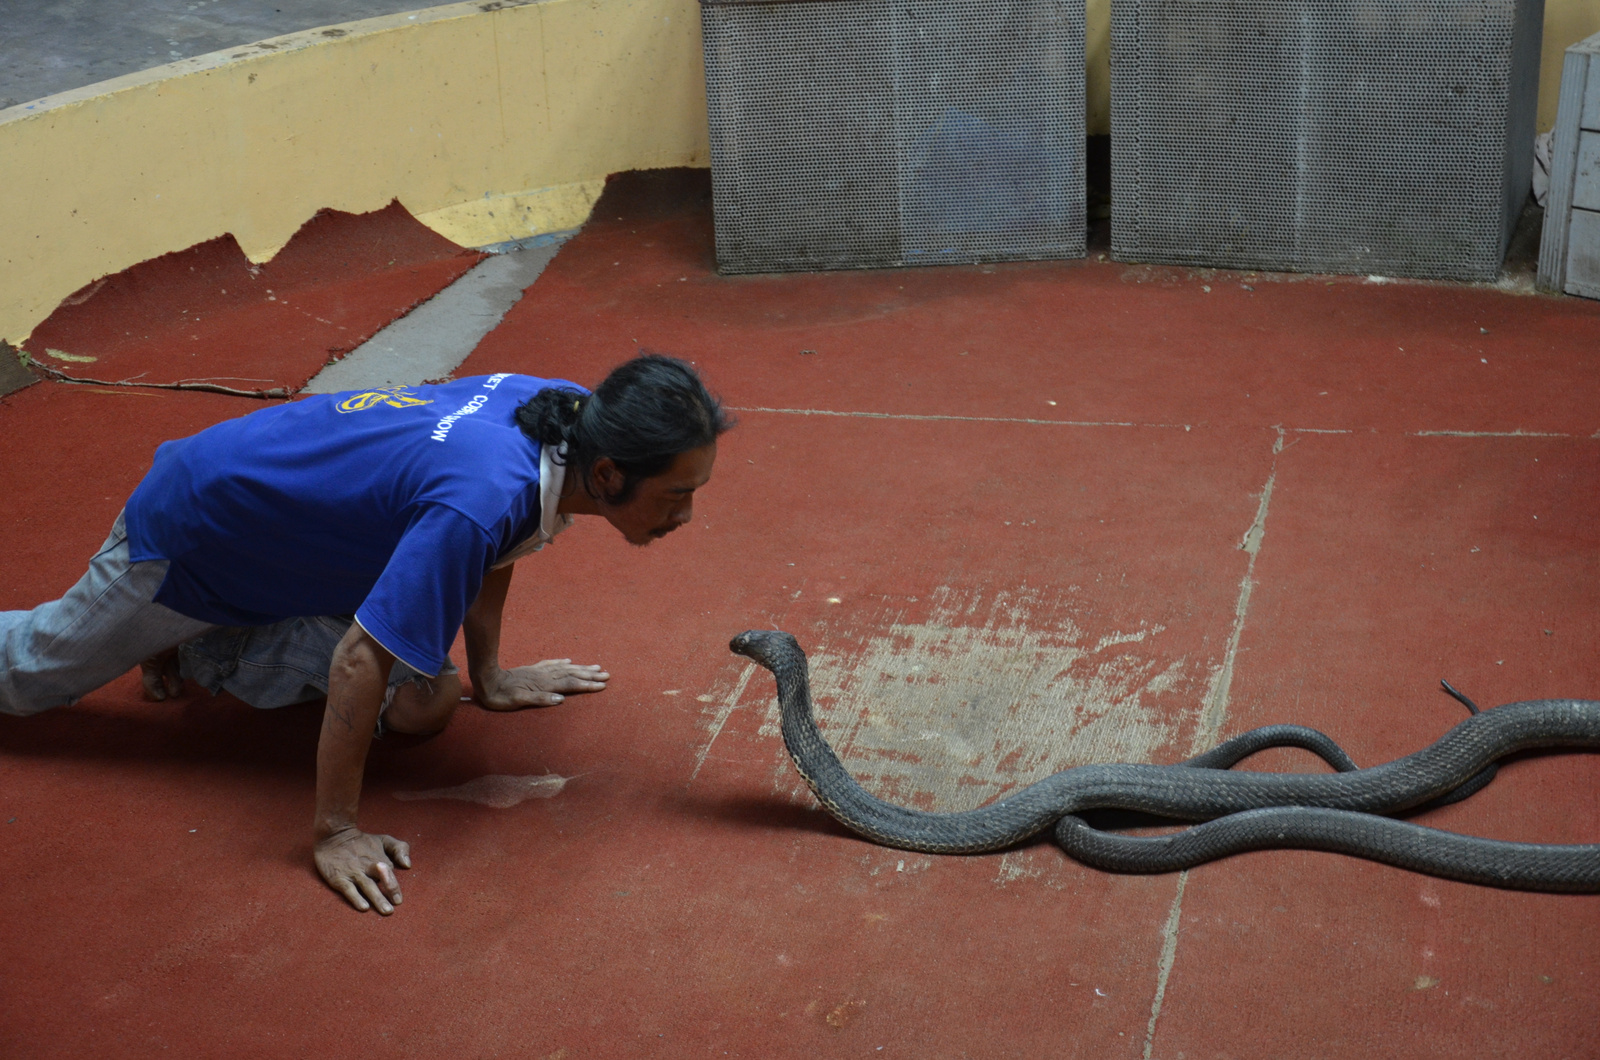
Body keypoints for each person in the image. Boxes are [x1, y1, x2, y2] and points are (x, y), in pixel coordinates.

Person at [0, 354, 732, 914]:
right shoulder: (479, 500)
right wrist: (334, 832)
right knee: (32, 673)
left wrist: (494, 679)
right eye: (677, 494)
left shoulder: (563, 413)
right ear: (607, 475)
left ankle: (194, 640)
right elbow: (360, 658)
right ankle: (185, 627)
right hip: (190, 529)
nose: (686, 516)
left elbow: (504, 544)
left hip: (277, 523)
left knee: (428, 698)